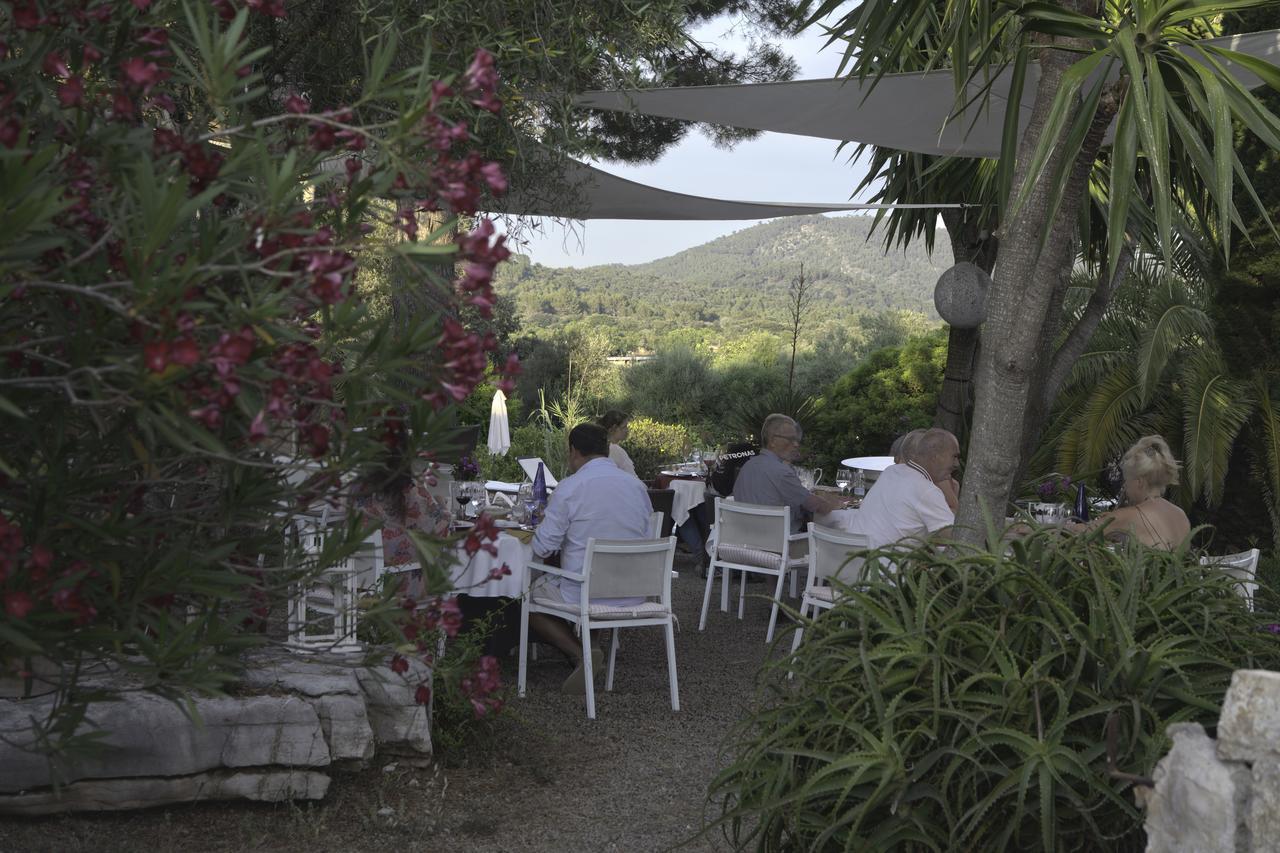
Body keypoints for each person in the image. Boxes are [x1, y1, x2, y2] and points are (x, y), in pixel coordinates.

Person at [529, 422, 653, 694]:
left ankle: (579, 654)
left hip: (586, 593)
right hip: (633, 591)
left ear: (574, 451)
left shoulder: (570, 487)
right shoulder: (637, 487)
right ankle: (593, 647)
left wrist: (540, 526)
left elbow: (544, 546)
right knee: (589, 577)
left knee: (527, 597)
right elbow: (647, 537)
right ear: (607, 450)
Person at [353, 448, 450, 597]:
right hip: (395, 578)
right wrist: (442, 504)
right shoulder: (409, 490)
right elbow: (437, 526)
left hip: (357, 576)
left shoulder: (357, 489)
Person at [732, 414, 844, 534]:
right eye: (790, 439)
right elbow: (818, 506)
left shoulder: (747, 466)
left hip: (744, 543)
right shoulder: (781, 472)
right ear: (772, 441)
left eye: (796, 440)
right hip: (779, 546)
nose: (796, 444)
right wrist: (835, 503)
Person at [1073, 435, 1190, 549]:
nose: (1124, 486)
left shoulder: (1127, 516)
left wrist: (1057, 525)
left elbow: (1081, 531)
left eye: (1127, 480)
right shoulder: (1181, 515)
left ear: (1139, 482)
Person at [852, 427, 959, 549]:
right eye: (954, 456)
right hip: (889, 564)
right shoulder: (926, 490)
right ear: (935, 456)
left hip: (860, 557)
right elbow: (955, 537)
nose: (957, 464)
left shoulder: (891, 471)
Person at [599, 409, 637, 477]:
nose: (627, 430)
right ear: (613, 429)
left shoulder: (598, 447)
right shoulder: (616, 450)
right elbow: (633, 478)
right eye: (624, 427)